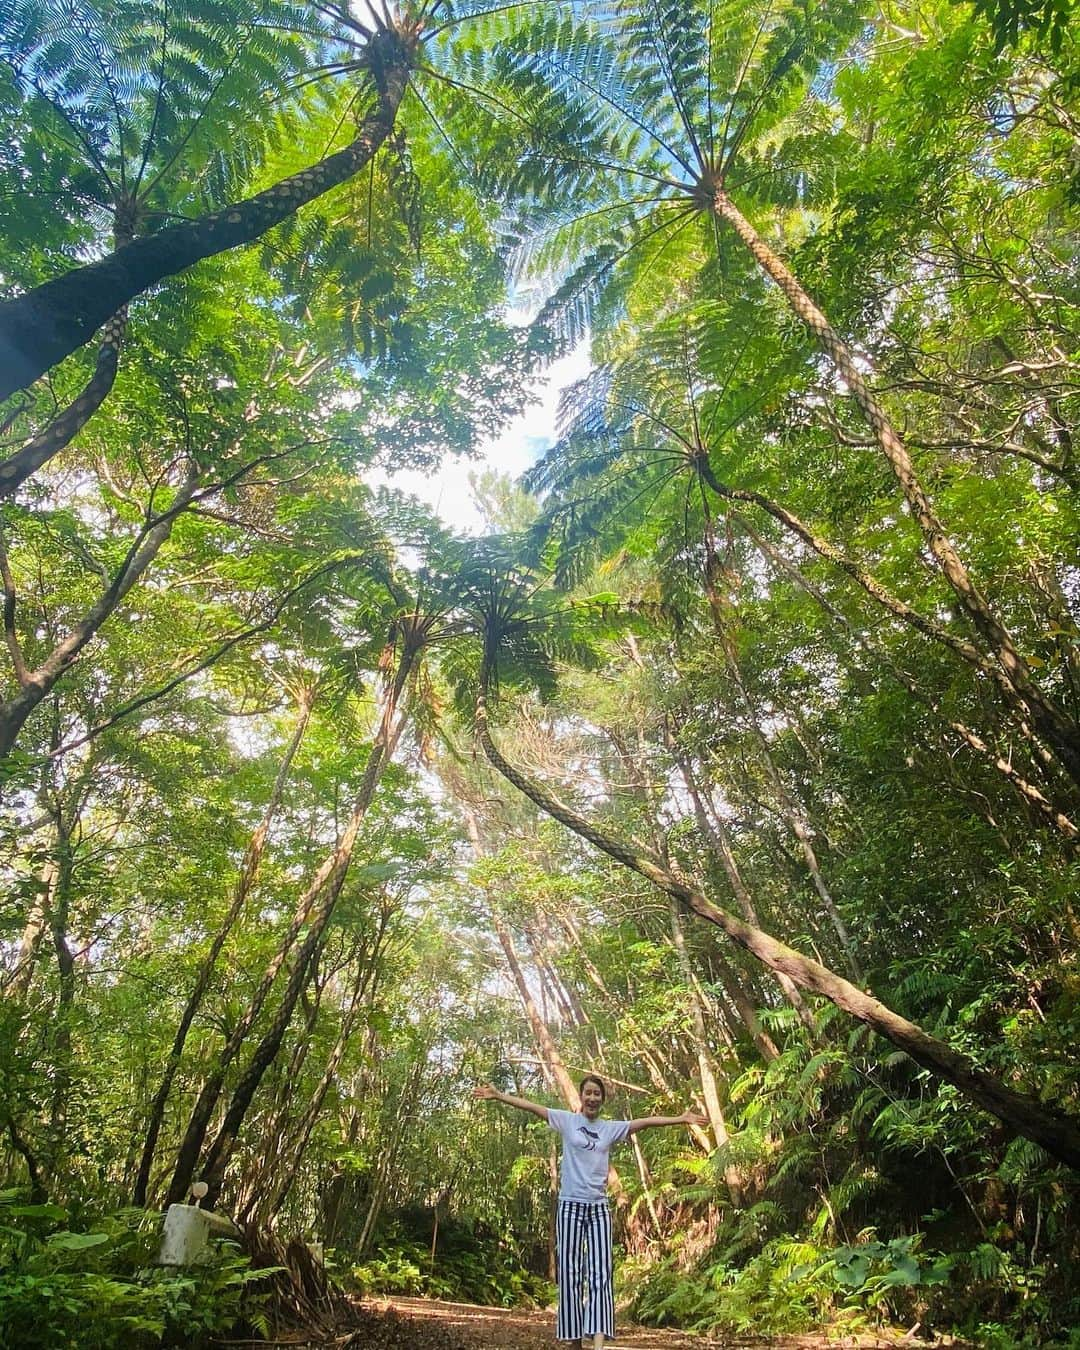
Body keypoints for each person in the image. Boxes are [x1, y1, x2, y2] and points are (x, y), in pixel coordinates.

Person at [474, 1075, 706, 1349]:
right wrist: (500, 1095)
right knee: (570, 1271)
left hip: (598, 1208)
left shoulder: (609, 1129)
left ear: (602, 1100)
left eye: (597, 1094)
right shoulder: (567, 1121)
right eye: (589, 1093)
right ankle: (574, 1341)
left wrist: (681, 1118)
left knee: (601, 1272)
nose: (593, 1098)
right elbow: (532, 1107)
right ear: (581, 1097)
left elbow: (643, 1123)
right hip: (570, 1204)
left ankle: (597, 1343)